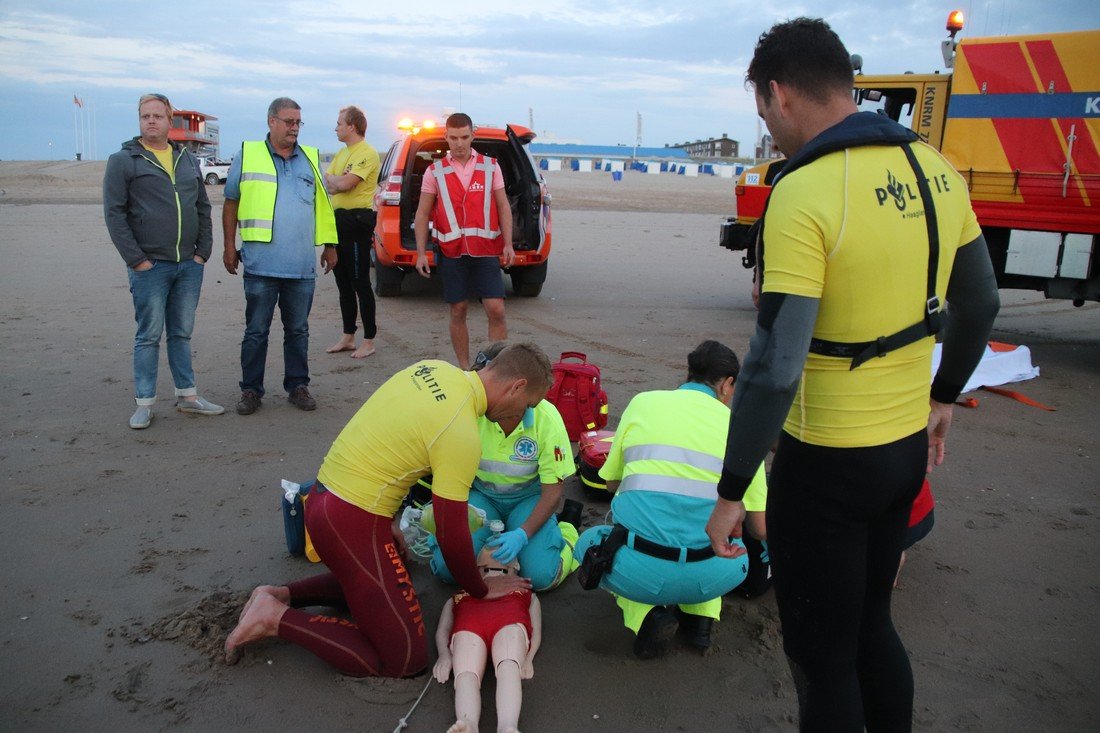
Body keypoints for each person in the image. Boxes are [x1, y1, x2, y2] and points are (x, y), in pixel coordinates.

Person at [705, 19, 999, 732]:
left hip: (828, 464)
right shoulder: (934, 168)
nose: (769, 131)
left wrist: (733, 489)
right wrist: (944, 393)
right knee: (873, 626)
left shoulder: (803, 191)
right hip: (903, 452)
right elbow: (980, 302)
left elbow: (774, 370)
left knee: (821, 656)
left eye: (762, 115)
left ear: (778, 93)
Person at [224, 343, 552, 678]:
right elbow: (451, 535)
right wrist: (482, 589)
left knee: (392, 571)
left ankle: (284, 595)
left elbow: (387, 436)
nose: (522, 415)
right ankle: (275, 618)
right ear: (517, 386)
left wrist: (389, 520)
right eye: (527, 405)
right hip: (349, 522)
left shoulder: (433, 368)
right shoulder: (462, 433)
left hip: (324, 497)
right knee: (404, 660)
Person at [574, 341, 768, 659]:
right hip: (713, 573)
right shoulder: (744, 430)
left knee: (590, 543)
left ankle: (647, 617)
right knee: (729, 543)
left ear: (690, 373)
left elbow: (610, 484)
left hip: (641, 570)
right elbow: (760, 529)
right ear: (727, 384)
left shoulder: (642, 403)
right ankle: (701, 618)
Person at [103, 93, 223, 429]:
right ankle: (144, 402)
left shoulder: (185, 158)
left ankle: (188, 396)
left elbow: (202, 206)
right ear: (139, 120)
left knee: (181, 333)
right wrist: (136, 260)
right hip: (150, 266)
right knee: (148, 335)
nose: (151, 121)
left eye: (157, 116)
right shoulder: (124, 160)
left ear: (170, 121)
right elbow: (114, 215)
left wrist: (202, 253)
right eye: (145, 116)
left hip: (188, 264)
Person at [427, 341, 581, 592]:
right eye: (529, 403)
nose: (529, 410)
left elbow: (553, 492)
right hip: (481, 496)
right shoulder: (469, 411)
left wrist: (523, 533)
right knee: (448, 570)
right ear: (517, 388)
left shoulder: (547, 418)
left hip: (527, 499)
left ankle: (568, 533)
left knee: (542, 577)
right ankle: (493, 536)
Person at [222, 97, 338, 415]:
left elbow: (323, 206)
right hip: (260, 264)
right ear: (271, 121)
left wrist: (330, 245)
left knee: (298, 330)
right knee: (256, 331)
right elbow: (231, 202)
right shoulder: (248, 154)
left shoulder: (311, 159)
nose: (294, 128)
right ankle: (250, 390)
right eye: (288, 121)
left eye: (298, 122)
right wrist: (229, 246)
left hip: (300, 266)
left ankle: (298, 386)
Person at [413, 113, 515, 369]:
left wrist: (508, 243)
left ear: (473, 135)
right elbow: (423, 212)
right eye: (454, 138)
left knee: (496, 310)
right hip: (451, 252)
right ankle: (464, 369)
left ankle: (494, 367)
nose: (459, 143)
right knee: (458, 310)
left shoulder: (491, 166)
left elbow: (503, 205)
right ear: (446, 137)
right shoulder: (434, 171)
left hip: (485, 251)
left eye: (465, 137)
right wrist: (421, 253)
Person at [433, 546, 542, 733]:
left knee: (509, 666)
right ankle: (468, 724)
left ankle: (508, 726)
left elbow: (536, 628)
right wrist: (444, 655)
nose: (494, 571)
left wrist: (528, 658)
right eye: (487, 568)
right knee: (466, 673)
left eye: (501, 569)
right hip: (470, 627)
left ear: (514, 570)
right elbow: (443, 629)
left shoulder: (526, 593)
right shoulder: (459, 595)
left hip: (508, 624)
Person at [323, 105, 380, 359]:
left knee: (360, 283)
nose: (336, 127)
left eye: (339, 123)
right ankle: (348, 336)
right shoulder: (341, 154)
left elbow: (346, 184)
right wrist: (336, 182)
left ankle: (369, 340)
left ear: (352, 126)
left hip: (357, 223)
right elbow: (326, 181)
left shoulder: (366, 153)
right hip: (337, 223)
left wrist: (338, 182)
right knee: (343, 284)